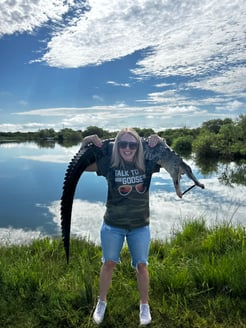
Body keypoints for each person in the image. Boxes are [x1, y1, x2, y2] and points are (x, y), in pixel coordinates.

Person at [81, 128, 164, 326]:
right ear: (117, 146)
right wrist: (84, 142)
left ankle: (144, 304)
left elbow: (167, 157)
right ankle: (101, 302)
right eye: (123, 144)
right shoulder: (109, 164)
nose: (128, 148)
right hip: (112, 225)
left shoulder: (148, 162)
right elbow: (83, 166)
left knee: (142, 265)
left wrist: (161, 140)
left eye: (132, 144)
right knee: (109, 263)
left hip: (139, 225)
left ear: (138, 147)